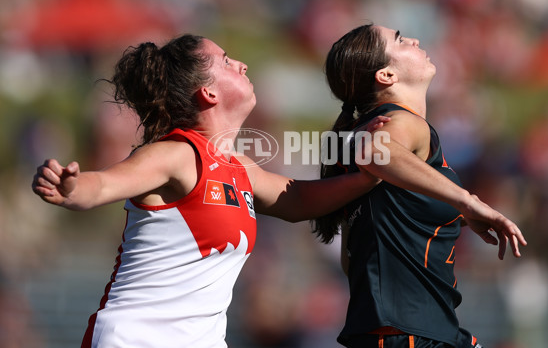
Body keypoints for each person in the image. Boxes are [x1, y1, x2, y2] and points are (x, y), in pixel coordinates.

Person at [31, 34, 388, 348]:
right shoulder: (177, 153)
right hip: (135, 338)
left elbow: (297, 199)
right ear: (209, 91)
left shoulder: (240, 167)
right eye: (228, 62)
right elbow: (103, 184)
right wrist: (72, 188)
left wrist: (369, 176)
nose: (243, 65)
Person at [312, 24, 527, 348]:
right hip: (410, 332)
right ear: (385, 76)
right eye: (399, 40)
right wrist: (466, 201)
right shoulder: (400, 123)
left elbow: (351, 258)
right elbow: (375, 153)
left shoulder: (362, 133)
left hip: (414, 331)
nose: (413, 39)